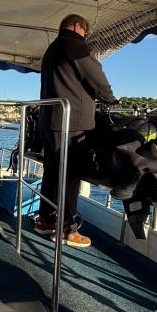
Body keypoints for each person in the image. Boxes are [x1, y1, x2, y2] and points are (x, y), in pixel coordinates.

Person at [36, 14, 117, 247]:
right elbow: (96, 77)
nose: (86, 37)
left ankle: (45, 220)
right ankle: (67, 230)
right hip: (71, 124)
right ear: (78, 27)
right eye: (86, 33)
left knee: (52, 173)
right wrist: (110, 100)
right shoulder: (75, 46)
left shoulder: (52, 49)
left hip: (50, 121)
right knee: (70, 176)